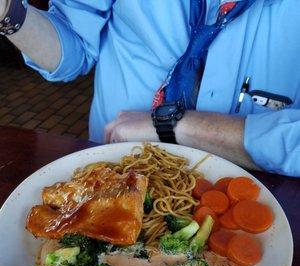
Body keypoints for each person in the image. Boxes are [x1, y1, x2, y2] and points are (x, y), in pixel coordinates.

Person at [1, 0, 299, 177]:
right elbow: (73, 50)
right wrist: (8, 12)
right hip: (114, 167)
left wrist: (176, 126)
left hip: (240, 198)